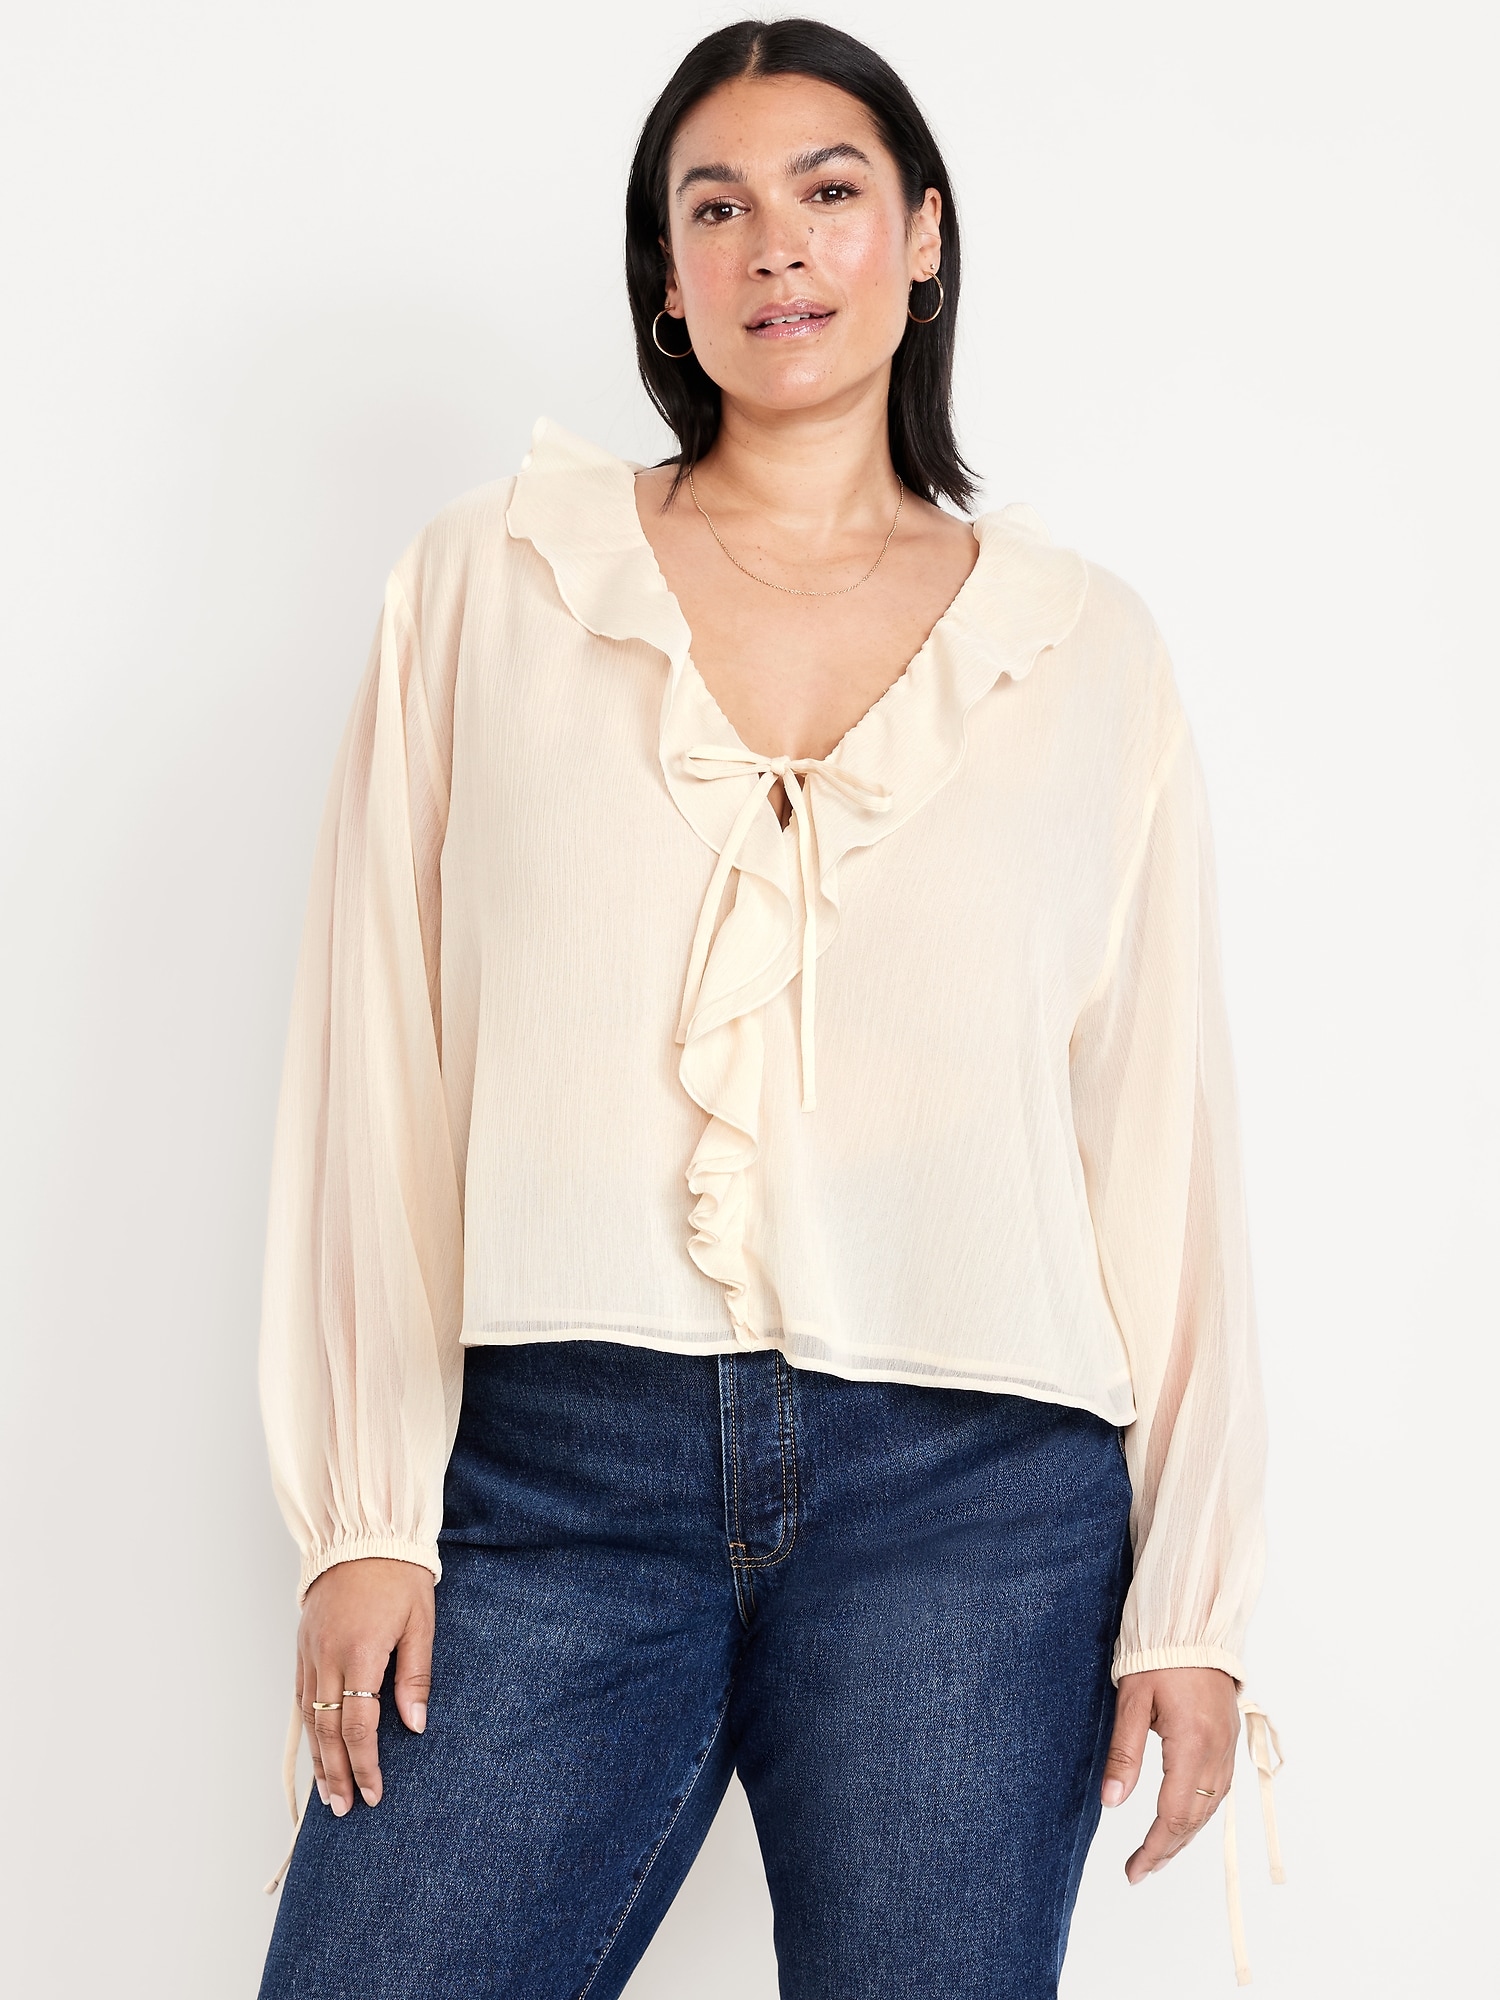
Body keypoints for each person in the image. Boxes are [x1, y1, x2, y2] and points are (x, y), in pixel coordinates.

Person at [256, 19, 1280, 1999]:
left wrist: (1197, 1594)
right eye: (713, 209)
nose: (775, 247)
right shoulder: (493, 586)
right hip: (549, 1472)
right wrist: (363, 1507)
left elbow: (1161, 1126)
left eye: (827, 192)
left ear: (923, 236)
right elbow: (377, 1051)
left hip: (979, 1497)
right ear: (666, 275)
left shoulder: (1083, 652)